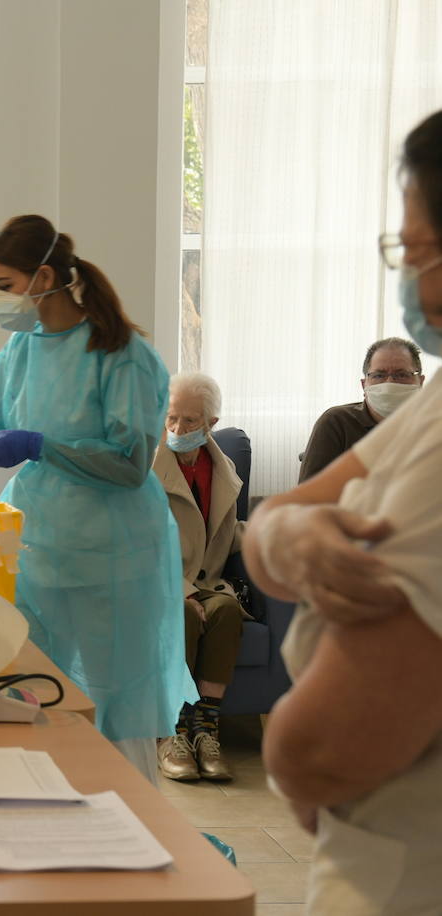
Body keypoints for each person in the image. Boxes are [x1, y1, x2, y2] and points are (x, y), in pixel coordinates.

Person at [0, 215, 195, 778]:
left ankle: (137, 825)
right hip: (42, 547)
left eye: (5, 285)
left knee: (113, 702)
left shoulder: (122, 356)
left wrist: (41, 445)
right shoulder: (25, 348)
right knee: (31, 687)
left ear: (44, 275)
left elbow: (128, 464)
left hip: (113, 557)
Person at [246, 110, 442, 914]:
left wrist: (300, 772)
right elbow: (276, 520)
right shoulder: (425, 412)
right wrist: (291, 536)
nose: (410, 276)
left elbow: (328, 746)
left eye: (416, 247)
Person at [154, 372, 245, 783]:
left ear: (211, 424)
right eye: (171, 418)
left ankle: (205, 728)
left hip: (206, 581)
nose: (177, 429)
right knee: (185, 615)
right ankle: (170, 730)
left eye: (190, 421)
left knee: (226, 609)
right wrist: (181, 592)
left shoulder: (221, 466)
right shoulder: (146, 466)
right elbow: (138, 542)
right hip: (156, 584)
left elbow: (225, 530)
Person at [298, 337, 425, 482]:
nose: (389, 382)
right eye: (379, 375)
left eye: (402, 374)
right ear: (364, 385)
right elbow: (309, 492)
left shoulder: (434, 424)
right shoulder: (336, 422)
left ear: (420, 382)